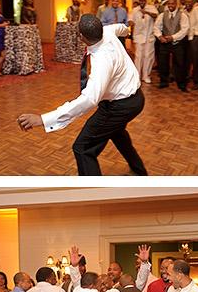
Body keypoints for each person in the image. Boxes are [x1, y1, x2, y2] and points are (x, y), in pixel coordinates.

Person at [19, 14, 147, 176]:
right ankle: (140, 171)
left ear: (81, 37)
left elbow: (89, 99)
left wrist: (43, 119)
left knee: (82, 148)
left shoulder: (102, 60)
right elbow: (121, 28)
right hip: (135, 98)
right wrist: (128, 29)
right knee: (116, 131)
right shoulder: (108, 31)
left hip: (120, 106)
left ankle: (93, 195)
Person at [154, 0, 189, 90]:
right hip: (164, 43)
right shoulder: (162, 15)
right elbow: (156, 27)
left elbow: (184, 30)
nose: (170, 5)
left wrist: (173, 37)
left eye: (172, 3)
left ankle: (181, 84)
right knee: (162, 63)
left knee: (180, 64)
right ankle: (164, 82)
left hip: (177, 43)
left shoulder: (182, 15)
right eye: (169, 3)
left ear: (176, 4)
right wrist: (160, 36)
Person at [129, 0, 156, 84]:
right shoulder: (135, 10)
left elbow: (156, 16)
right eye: (140, 0)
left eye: (143, 0)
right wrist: (130, 23)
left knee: (148, 56)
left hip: (149, 36)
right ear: (139, 1)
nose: (142, 2)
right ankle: (137, 76)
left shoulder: (151, 8)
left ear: (146, 1)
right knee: (138, 57)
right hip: (139, 36)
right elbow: (130, 20)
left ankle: (146, 75)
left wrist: (146, 12)